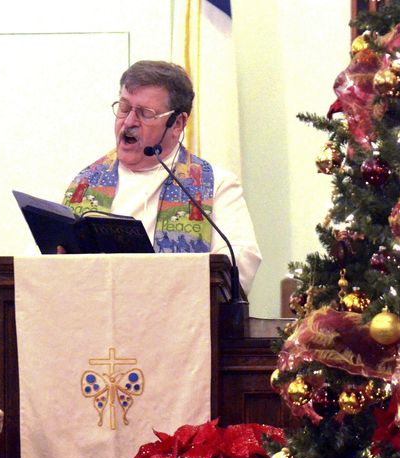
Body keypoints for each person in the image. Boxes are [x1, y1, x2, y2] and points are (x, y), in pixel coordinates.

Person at [62, 60, 261, 293]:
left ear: (177, 123)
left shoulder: (216, 186)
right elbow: (36, 261)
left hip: (175, 323)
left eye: (145, 114)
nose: (128, 122)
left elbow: (239, 265)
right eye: (125, 108)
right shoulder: (85, 184)